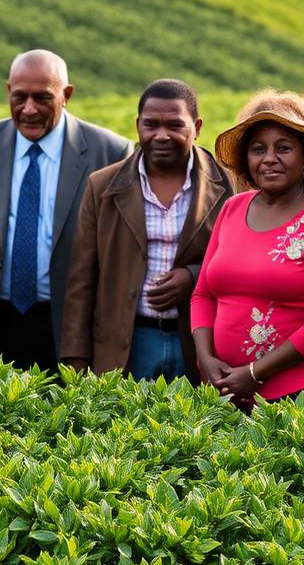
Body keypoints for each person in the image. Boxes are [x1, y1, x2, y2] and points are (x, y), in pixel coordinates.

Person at [0, 50, 129, 371]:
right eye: (20, 97)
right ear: (8, 91)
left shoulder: (109, 151)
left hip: (73, 328)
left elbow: (120, 254)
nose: (29, 109)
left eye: (42, 98)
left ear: (67, 96)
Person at [189, 90, 304, 414]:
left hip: (298, 394)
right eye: (258, 149)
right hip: (224, 388)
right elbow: (203, 294)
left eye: (284, 148)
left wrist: (254, 373)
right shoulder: (233, 208)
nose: (269, 158)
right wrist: (206, 360)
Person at [63, 79, 233, 380]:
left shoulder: (228, 185)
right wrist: (76, 359)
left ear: (197, 127)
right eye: (150, 125)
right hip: (128, 341)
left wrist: (193, 276)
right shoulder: (102, 187)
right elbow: (82, 280)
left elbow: (243, 262)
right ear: (137, 125)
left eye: (175, 126)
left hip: (198, 341)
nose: (161, 136)